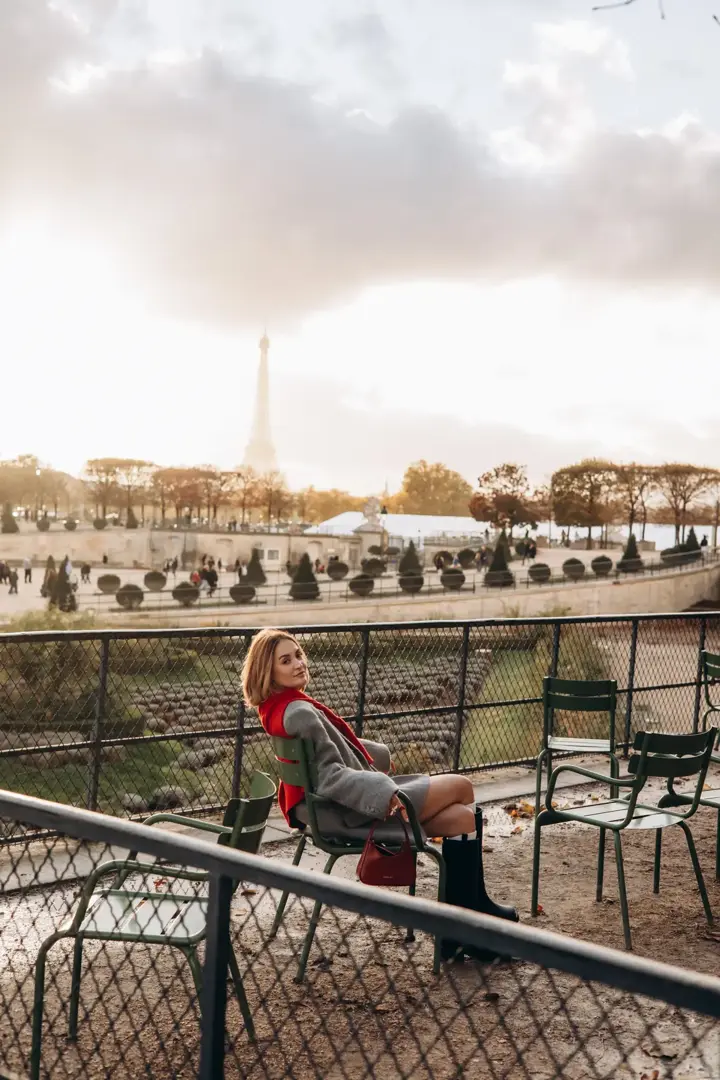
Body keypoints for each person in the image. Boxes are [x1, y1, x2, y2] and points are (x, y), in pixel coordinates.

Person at [243, 628, 517, 960]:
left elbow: (327, 758)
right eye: (285, 661)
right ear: (268, 672)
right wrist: (385, 792)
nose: (298, 663)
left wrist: (375, 756)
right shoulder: (298, 712)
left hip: (331, 808)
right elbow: (330, 775)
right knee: (462, 787)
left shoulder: (278, 707)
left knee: (461, 819)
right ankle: (468, 927)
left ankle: (465, 925)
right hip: (349, 810)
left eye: (298, 654)